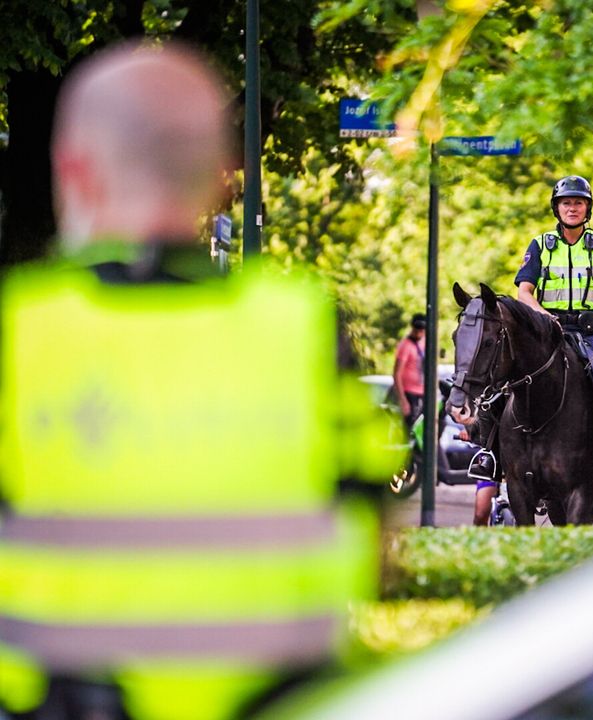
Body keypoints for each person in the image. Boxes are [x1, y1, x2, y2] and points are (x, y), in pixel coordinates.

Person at [0, 42, 391, 720]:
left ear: (74, 171)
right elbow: (373, 537)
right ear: (221, 178)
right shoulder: (302, 329)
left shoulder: (19, 332)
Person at [465, 175, 593, 502]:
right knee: (503, 382)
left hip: (592, 335)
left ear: (587, 208)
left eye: (578, 202)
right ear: (556, 208)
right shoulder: (540, 244)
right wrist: (542, 315)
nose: (572, 208)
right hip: (548, 333)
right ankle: (489, 456)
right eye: (566, 203)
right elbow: (524, 291)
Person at [393, 312, 428, 437]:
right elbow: (397, 373)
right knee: (410, 431)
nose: (419, 332)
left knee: (422, 430)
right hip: (409, 393)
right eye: (417, 329)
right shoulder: (405, 345)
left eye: (422, 330)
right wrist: (403, 400)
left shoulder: (424, 343)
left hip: (422, 392)